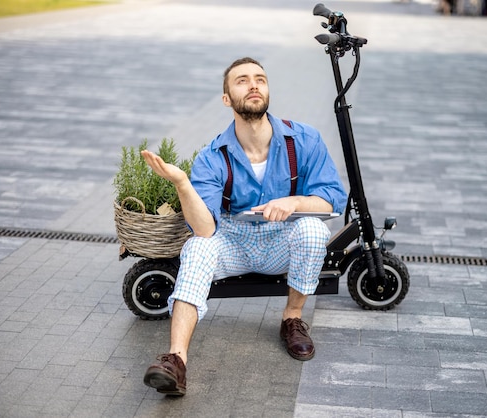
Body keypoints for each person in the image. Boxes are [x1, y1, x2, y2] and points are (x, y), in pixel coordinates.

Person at [140, 57, 348, 396]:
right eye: (242, 80)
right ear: (226, 99)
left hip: (284, 240)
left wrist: (294, 202)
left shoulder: (304, 140)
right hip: (232, 243)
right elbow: (205, 229)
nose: (253, 85)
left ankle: (292, 319)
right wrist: (181, 183)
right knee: (196, 248)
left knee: (313, 230)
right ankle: (176, 362)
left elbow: (332, 199)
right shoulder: (212, 156)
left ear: (267, 90)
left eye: (260, 79)